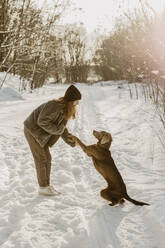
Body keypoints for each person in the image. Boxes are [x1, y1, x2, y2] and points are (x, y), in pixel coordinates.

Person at [24, 84, 81, 196]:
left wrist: (72, 142)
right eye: (76, 101)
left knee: (47, 158)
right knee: (42, 158)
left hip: (40, 133)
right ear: (70, 101)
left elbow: (62, 129)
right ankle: (43, 187)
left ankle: (46, 185)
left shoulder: (65, 109)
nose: (77, 104)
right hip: (32, 130)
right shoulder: (55, 105)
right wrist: (58, 130)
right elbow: (42, 121)